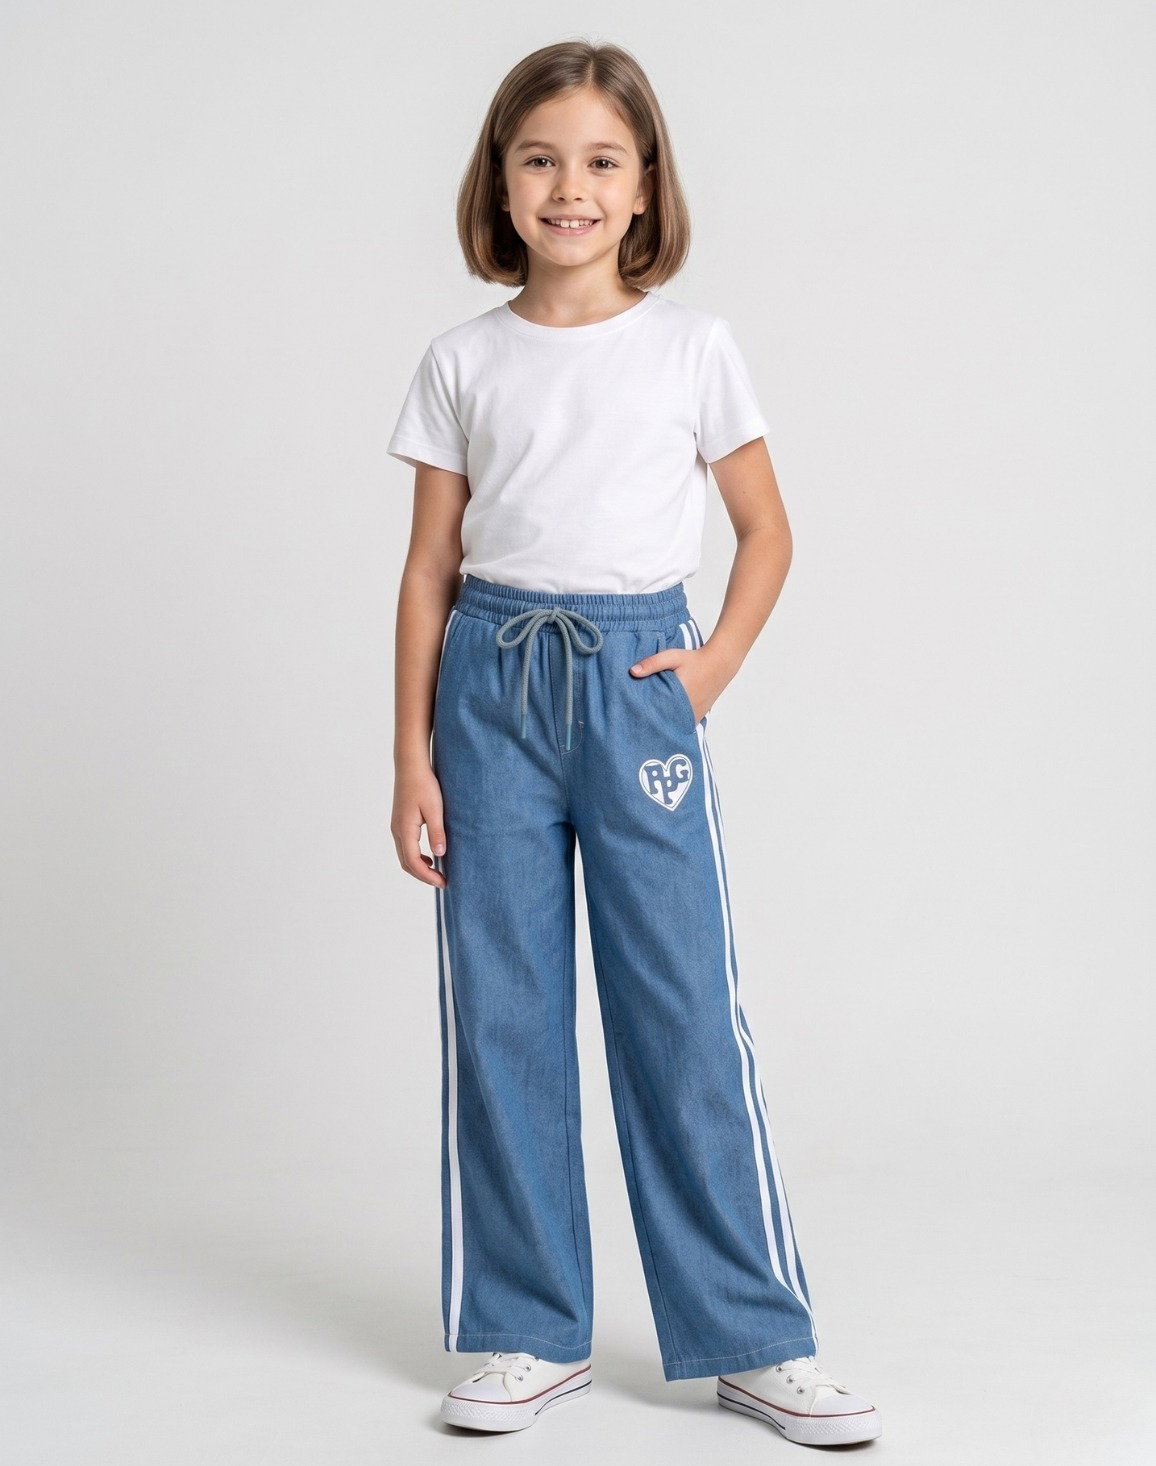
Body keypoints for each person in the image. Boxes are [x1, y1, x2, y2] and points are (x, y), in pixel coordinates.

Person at [387, 39, 881, 1447]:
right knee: (504, 1008)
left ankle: (753, 1334)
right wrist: (412, 756)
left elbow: (766, 530)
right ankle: (526, 1327)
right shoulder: (461, 359)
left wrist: (706, 670)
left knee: (679, 1004)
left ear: (647, 184)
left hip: (636, 683)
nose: (571, 187)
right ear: (499, 180)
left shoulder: (692, 347)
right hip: (491, 689)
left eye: (603, 160)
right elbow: (427, 570)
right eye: (540, 159)